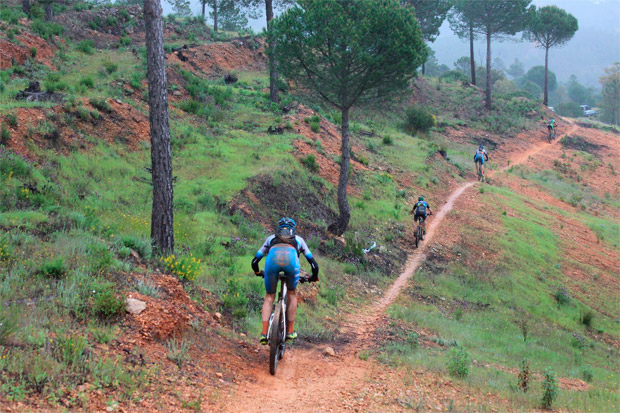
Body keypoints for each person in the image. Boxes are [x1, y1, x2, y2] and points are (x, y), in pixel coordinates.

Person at [251, 217, 319, 345]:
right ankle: (290, 332)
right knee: (292, 294)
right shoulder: (299, 240)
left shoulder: (271, 238)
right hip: (291, 263)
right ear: (293, 229)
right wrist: (313, 277)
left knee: (269, 297)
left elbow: (255, 261)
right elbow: (314, 264)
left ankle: (264, 333)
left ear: (279, 228)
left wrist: (258, 272)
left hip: (272, 262)